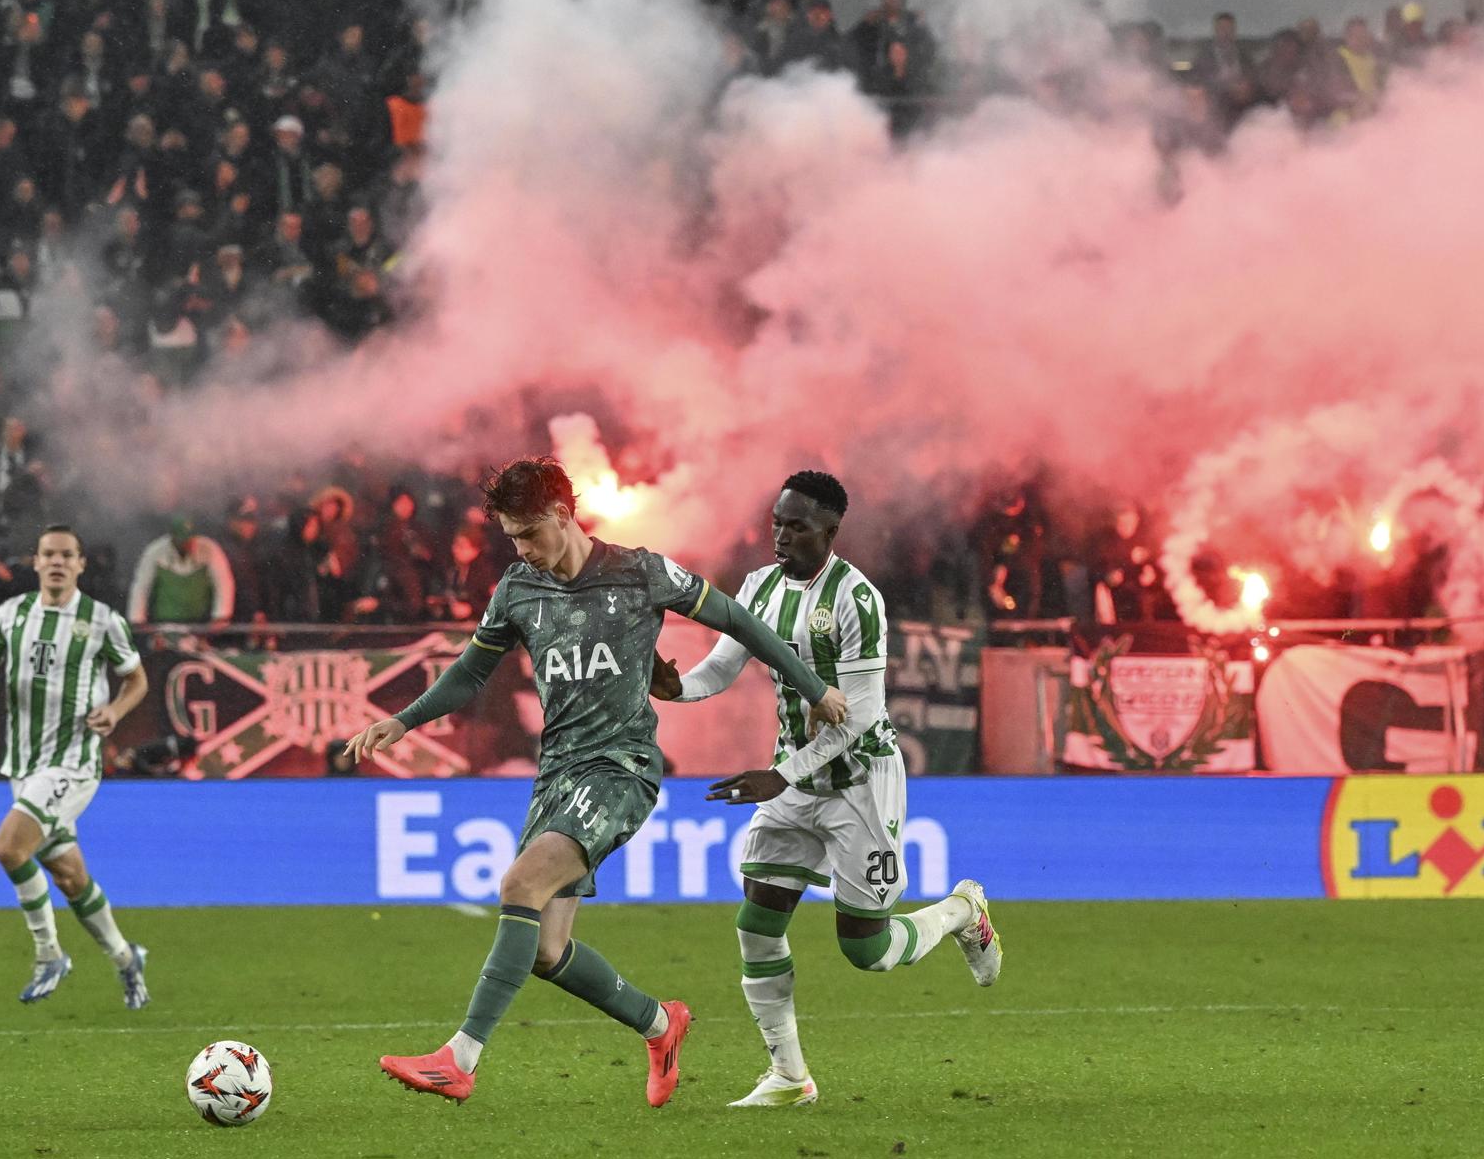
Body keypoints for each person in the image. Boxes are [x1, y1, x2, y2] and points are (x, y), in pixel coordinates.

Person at [345, 457, 847, 1108]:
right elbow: (471, 674)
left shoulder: (641, 571)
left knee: (519, 884)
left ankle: (459, 1057)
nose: (521, 550)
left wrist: (814, 687)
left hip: (622, 766)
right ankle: (660, 1023)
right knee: (547, 950)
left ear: (561, 515)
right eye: (511, 538)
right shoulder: (518, 588)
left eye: (528, 533)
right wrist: (403, 719)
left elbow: (739, 621)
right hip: (559, 772)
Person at [652, 471, 1000, 1108]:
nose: (780, 535)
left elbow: (861, 715)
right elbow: (723, 667)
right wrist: (680, 690)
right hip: (793, 781)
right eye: (777, 522)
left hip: (859, 782)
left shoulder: (856, 600)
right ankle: (789, 1076)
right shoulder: (758, 587)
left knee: (865, 951)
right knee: (757, 922)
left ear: (830, 532)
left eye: (797, 526)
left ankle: (961, 913)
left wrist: (780, 774)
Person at [0, 524, 151, 1008]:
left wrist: (115, 712)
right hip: (24, 765)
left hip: (74, 763)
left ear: (81, 564)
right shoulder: (11, 614)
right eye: (49, 554)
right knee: (70, 878)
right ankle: (128, 959)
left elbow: (137, 680)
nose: (58, 562)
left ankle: (49, 954)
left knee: (9, 848)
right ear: (36, 562)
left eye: (68, 554)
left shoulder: (101, 620)